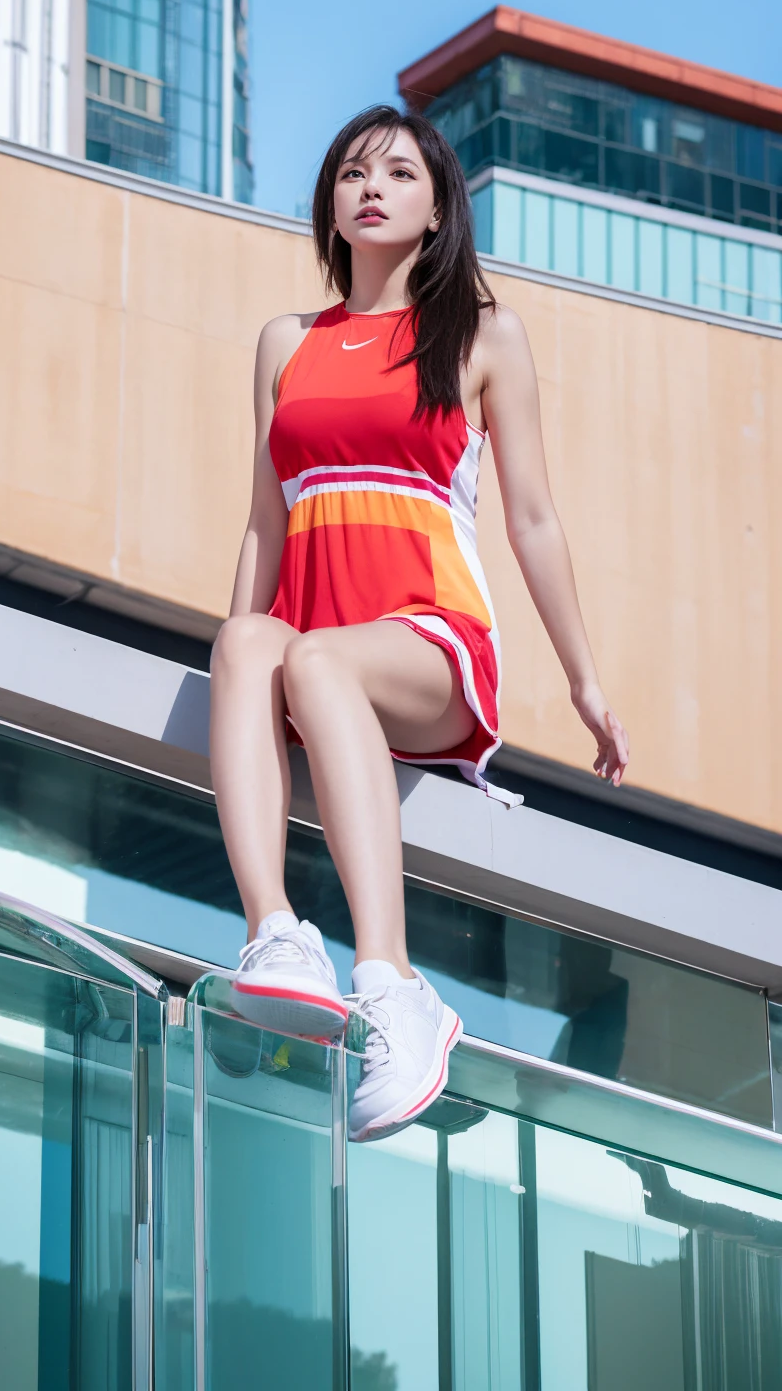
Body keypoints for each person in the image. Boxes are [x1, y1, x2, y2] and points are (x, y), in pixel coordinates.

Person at [209, 105, 629, 1143]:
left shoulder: (483, 334)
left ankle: (393, 983)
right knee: (256, 644)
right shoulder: (284, 344)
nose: (371, 187)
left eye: (398, 173)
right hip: (317, 648)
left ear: (438, 209)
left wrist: (583, 678)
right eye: (353, 172)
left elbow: (532, 515)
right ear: (332, 206)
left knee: (312, 659)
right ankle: (276, 936)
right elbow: (267, 522)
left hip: (429, 642)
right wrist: (236, 678)